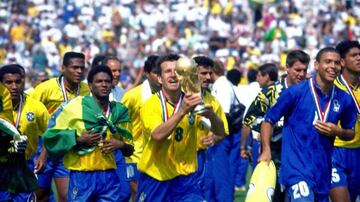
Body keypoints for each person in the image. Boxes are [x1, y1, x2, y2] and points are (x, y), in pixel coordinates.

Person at [258, 47, 356, 202]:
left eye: (336, 63)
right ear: (316, 65)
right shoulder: (295, 92)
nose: (333, 66)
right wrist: (266, 149)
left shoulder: (344, 98)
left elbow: (351, 132)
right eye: (328, 61)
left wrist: (338, 131)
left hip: (323, 171)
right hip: (296, 170)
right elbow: (268, 120)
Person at [136, 54, 226, 201]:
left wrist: (212, 116)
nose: (173, 75)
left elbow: (220, 132)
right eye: (167, 71)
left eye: (177, 71)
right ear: (159, 78)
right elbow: (157, 135)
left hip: (186, 180)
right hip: (156, 177)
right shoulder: (150, 105)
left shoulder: (194, 100)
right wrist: (183, 111)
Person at [42, 65, 133, 201]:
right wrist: (78, 139)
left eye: (107, 81)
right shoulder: (74, 107)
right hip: (81, 176)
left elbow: (130, 149)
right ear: (90, 85)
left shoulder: (119, 111)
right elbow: (51, 139)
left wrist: (120, 144)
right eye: (99, 81)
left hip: (109, 176)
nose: (104, 85)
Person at [241, 51, 310, 201]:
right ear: (287, 68)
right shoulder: (270, 92)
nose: (301, 74)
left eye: (305, 70)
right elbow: (249, 118)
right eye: (297, 70)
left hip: (303, 156)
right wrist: (269, 128)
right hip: (276, 156)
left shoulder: (310, 92)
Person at [32, 51, 90, 202]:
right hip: (44, 146)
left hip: (68, 148)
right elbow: (30, 113)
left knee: (67, 196)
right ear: (63, 68)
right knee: (39, 194)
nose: (79, 71)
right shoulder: (45, 89)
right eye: (74, 67)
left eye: (81, 68)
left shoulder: (86, 90)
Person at [0, 64, 50, 201]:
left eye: (18, 82)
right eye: (8, 83)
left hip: (25, 165)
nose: (14, 87)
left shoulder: (36, 107)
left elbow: (50, 133)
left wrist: (43, 156)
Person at [121, 55, 160, 201]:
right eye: (156, 72)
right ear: (147, 73)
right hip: (135, 155)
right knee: (139, 195)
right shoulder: (132, 96)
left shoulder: (169, 96)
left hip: (159, 155)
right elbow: (118, 122)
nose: (159, 77)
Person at [193, 55, 228, 200]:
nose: (208, 77)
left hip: (200, 156)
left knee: (199, 193)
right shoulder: (178, 97)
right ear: (192, 74)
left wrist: (215, 137)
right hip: (175, 157)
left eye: (209, 73)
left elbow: (223, 132)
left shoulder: (212, 101)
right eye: (203, 73)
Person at [330, 40, 360, 202]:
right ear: (342, 62)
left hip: (357, 152)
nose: (359, 58)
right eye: (354, 55)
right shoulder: (331, 86)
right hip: (334, 152)